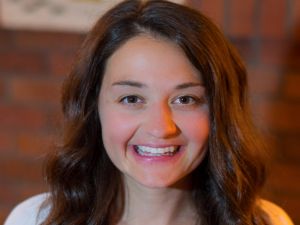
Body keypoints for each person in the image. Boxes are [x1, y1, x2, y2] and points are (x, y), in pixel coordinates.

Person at [4, 0, 294, 225]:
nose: (161, 127)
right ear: (94, 108)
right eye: (132, 98)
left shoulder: (263, 221)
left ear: (218, 110)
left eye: (185, 99)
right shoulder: (36, 219)